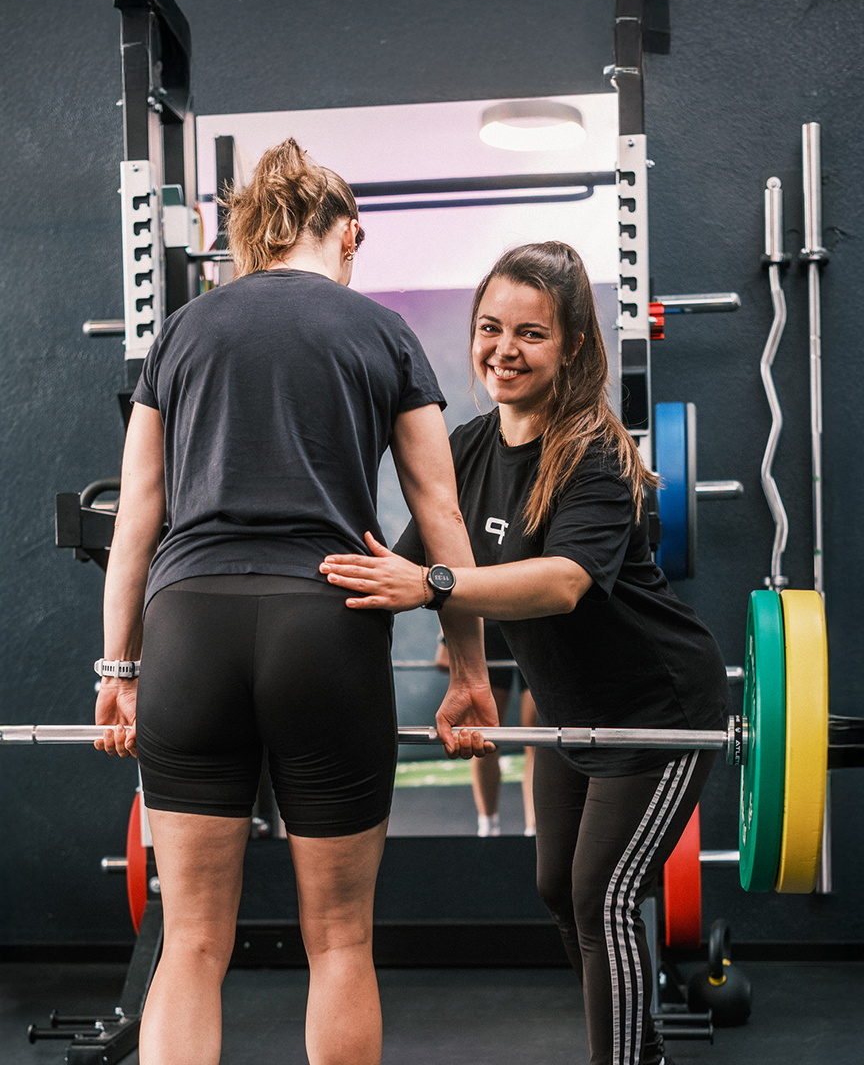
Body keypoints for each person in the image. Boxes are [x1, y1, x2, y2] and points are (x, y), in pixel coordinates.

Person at [93, 138, 496, 1065]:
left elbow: (137, 521)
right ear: (353, 230)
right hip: (327, 622)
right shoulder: (381, 329)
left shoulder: (184, 331)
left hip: (189, 625)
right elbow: (441, 512)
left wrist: (119, 669)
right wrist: (469, 672)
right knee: (341, 942)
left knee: (190, 944)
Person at [320, 241, 731, 1065]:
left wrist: (432, 583)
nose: (503, 350)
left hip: (660, 715)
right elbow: (391, 566)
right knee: (558, 889)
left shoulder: (597, 454)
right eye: (489, 328)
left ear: (573, 343)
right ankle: (638, 1049)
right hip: (573, 721)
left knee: (603, 895)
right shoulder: (465, 451)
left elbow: (563, 583)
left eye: (530, 334)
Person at [435, 621, 537, 836]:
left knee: (536, 738)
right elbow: (457, 588)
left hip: (533, 619)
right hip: (487, 622)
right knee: (483, 736)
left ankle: (534, 829)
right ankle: (488, 826)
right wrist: (445, 638)